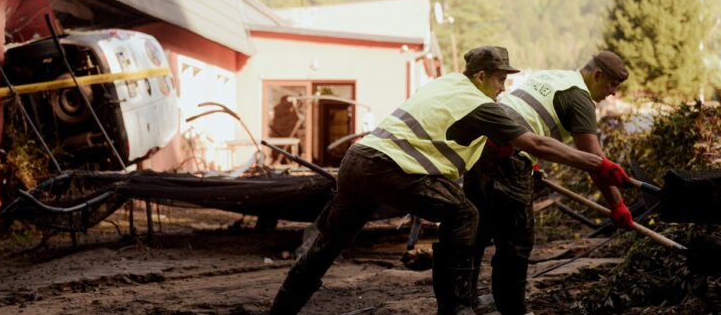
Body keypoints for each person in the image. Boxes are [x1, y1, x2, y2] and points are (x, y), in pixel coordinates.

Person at [268, 46, 632, 315]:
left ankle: (282, 307)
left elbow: (461, 130)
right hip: (392, 169)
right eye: (500, 79)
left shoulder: (443, 85)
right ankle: (457, 308)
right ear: (481, 77)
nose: (504, 89)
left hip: (357, 162)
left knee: (331, 241)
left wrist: (504, 148)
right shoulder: (484, 105)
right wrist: (598, 165)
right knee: (465, 216)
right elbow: (534, 141)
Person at [463, 50, 632, 315]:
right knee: (516, 241)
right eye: (612, 84)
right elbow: (595, 162)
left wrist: (534, 163)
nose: (612, 92)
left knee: (478, 227)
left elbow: (528, 115)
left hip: (482, 143)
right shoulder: (581, 99)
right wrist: (617, 205)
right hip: (508, 154)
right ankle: (514, 310)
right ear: (597, 75)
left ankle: (465, 300)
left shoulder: (556, 76)